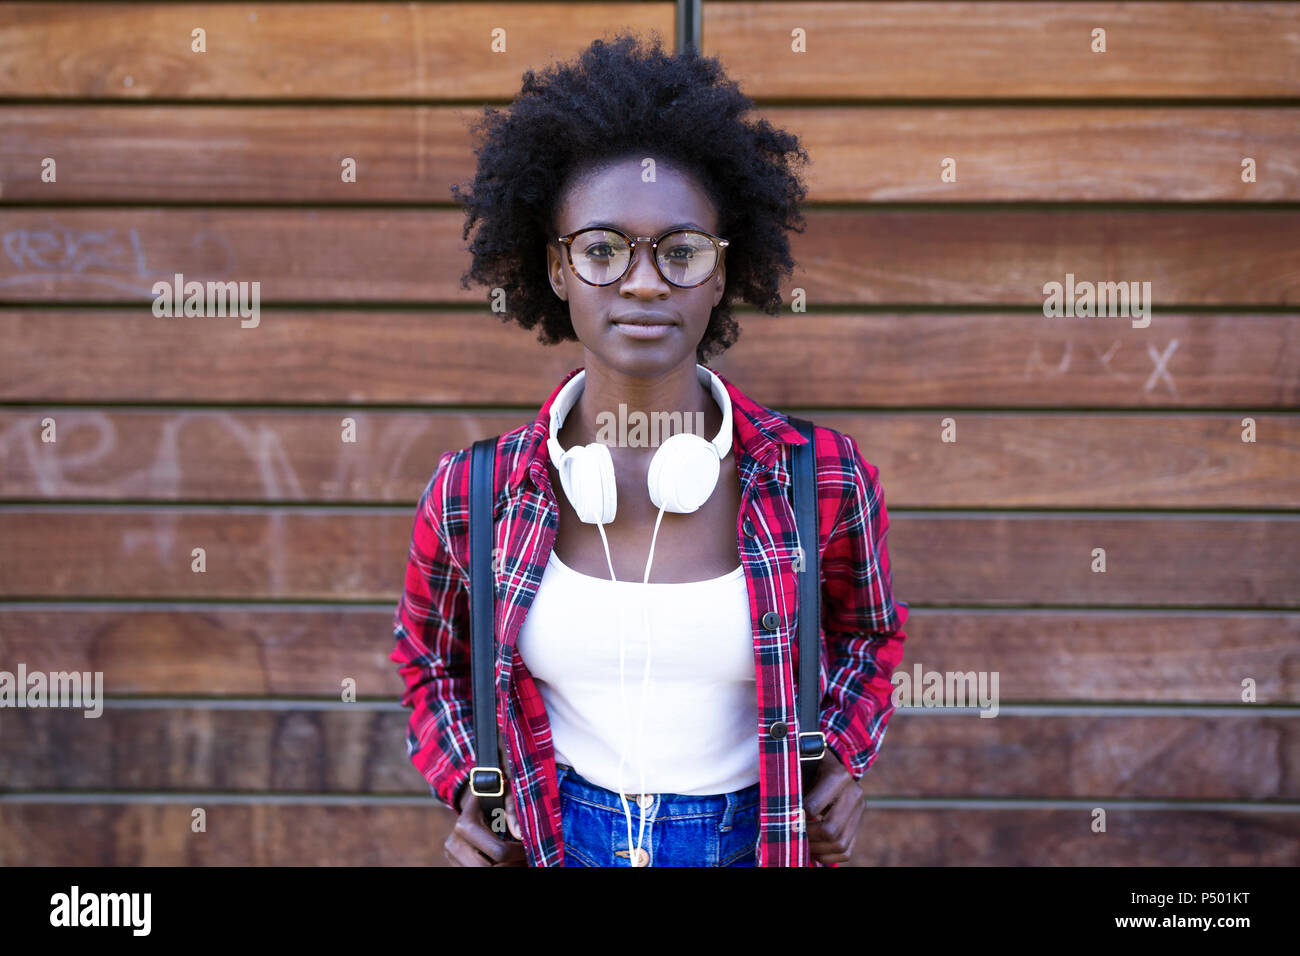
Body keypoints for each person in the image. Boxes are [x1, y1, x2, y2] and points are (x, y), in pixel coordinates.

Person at [390, 31, 908, 867]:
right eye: (601, 249)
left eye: (680, 252)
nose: (641, 282)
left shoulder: (822, 478)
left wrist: (839, 757)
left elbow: (868, 636)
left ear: (720, 274)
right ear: (555, 270)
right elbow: (427, 659)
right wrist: (471, 785)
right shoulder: (473, 492)